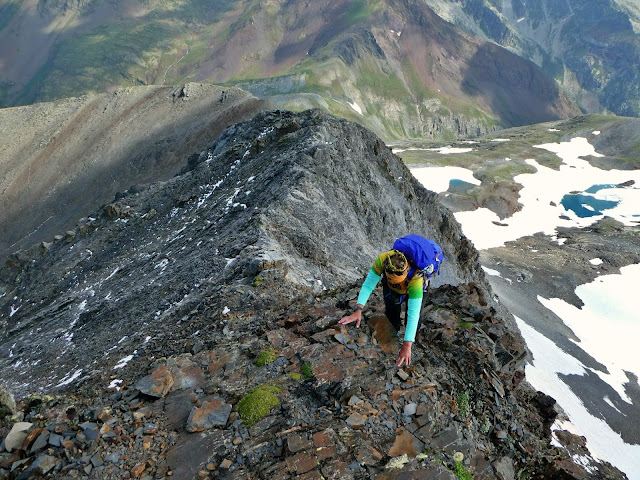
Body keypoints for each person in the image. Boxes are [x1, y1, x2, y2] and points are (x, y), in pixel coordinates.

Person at [339, 248, 429, 367]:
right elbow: (368, 285)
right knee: (392, 311)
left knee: (413, 319)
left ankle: (412, 342)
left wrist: (407, 345)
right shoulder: (382, 260)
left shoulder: (416, 278)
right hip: (391, 288)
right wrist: (358, 310)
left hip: (414, 285)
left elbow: (414, 313)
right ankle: (393, 336)